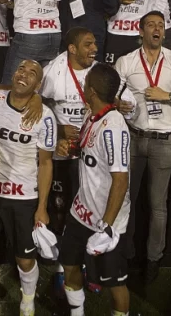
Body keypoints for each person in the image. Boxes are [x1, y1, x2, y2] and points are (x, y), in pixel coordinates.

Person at [115, 11, 171, 283]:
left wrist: (170, 96)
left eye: (160, 25)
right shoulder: (126, 62)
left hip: (164, 141)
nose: (157, 29)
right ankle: (125, 256)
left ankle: (154, 259)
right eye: (151, 25)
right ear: (140, 31)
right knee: (125, 202)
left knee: (157, 206)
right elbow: (111, 98)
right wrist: (118, 105)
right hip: (132, 137)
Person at [0, 60, 57, 316]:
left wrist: (41, 207)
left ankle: (27, 303)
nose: (23, 75)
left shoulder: (46, 117)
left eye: (32, 74)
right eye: (20, 69)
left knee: (25, 259)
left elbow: (46, 163)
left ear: (38, 85)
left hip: (24, 197)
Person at [60, 62, 132, 316]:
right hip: (80, 213)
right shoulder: (91, 114)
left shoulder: (114, 126)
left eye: (86, 81)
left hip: (106, 223)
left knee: (115, 284)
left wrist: (108, 226)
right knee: (69, 266)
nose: (83, 84)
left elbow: (120, 180)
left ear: (91, 91)